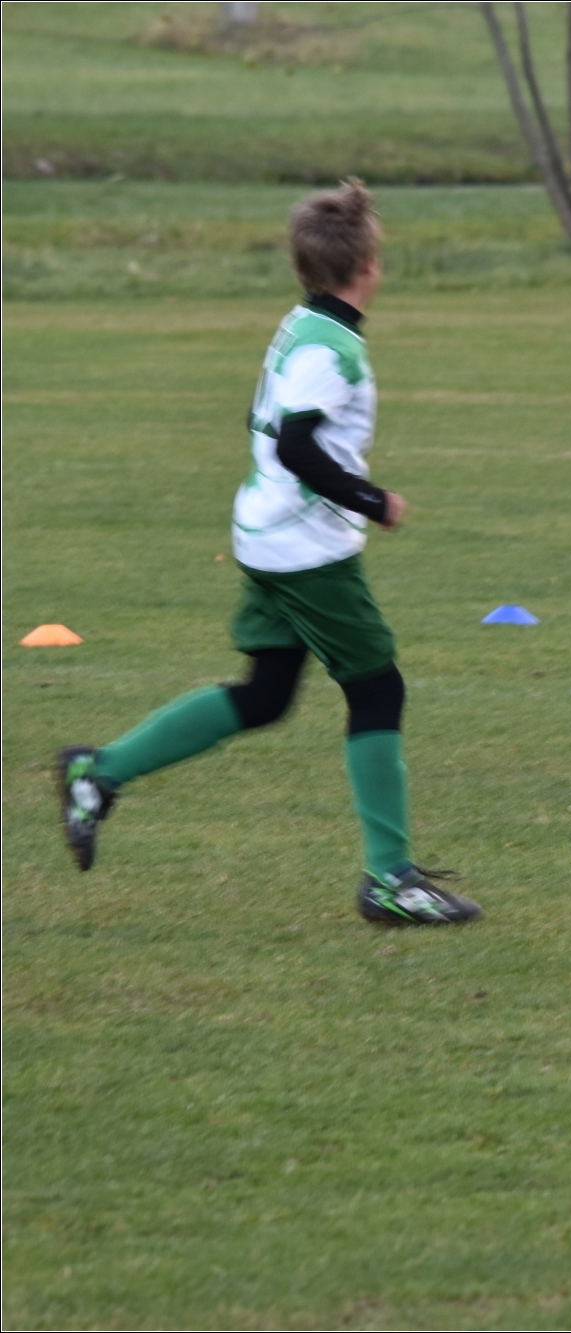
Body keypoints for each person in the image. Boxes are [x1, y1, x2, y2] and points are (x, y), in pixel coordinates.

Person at [54, 179, 481, 926]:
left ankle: (99, 771)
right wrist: (371, 500)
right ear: (370, 264)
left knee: (267, 694)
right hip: (305, 550)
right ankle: (390, 880)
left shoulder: (302, 324)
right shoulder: (333, 348)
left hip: (265, 534)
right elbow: (295, 444)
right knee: (377, 691)